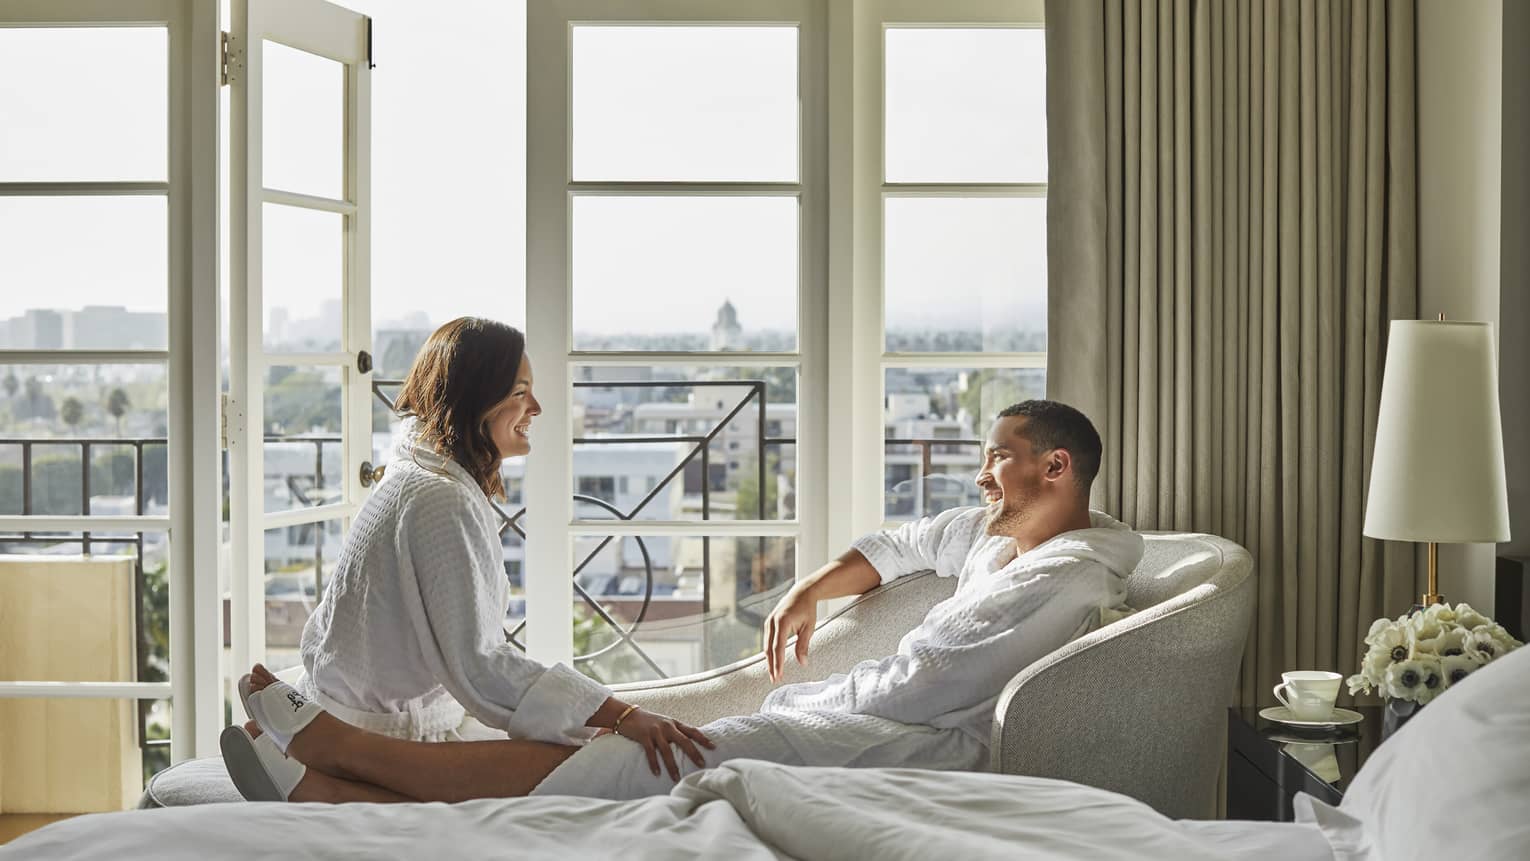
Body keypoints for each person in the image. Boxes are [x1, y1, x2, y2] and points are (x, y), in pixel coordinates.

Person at [223, 400, 1144, 804]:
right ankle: (344, 789)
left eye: (998, 457)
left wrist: (806, 705)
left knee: (643, 758)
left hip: (911, 742)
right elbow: (908, 544)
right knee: (626, 742)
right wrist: (811, 588)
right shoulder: (1002, 536)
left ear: (1054, 467)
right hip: (847, 717)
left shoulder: (1059, 580)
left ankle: (347, 762)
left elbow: (929, 681)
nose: (982, 474)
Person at [250, 317, 710, 780]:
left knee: (578, 742)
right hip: (382, 730)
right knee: (580, 766)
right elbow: (482, 664)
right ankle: (329, 777)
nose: (537, 407)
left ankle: (309, 741)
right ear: (474, 401)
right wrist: (623, 716)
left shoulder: (412, 467)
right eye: (519, 393)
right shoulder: (439, 498)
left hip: (346, 700)